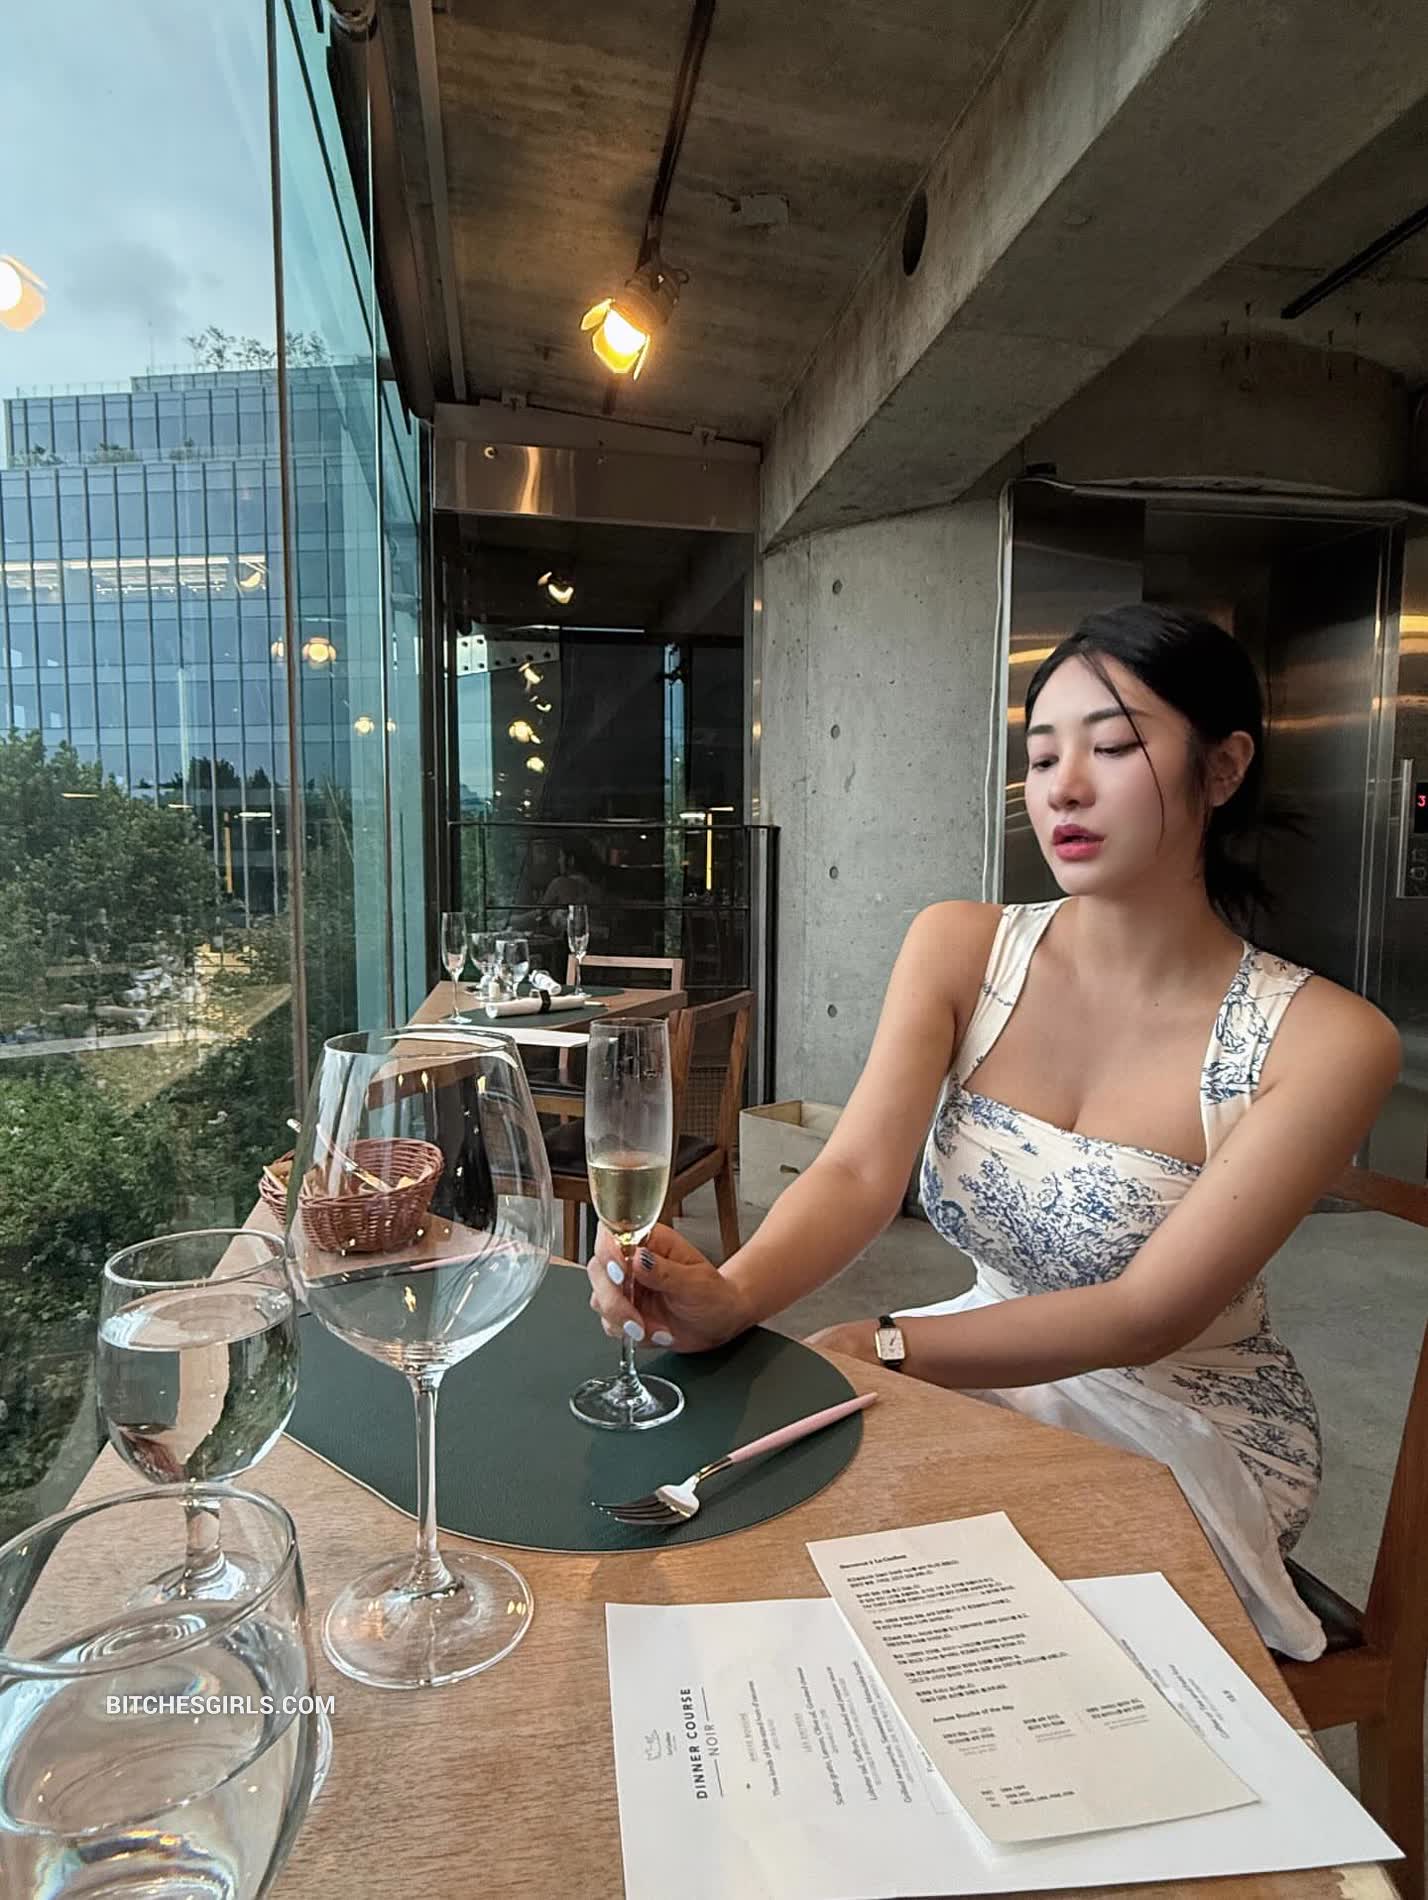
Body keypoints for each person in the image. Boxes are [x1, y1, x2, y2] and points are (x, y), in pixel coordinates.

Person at [584, 603, 1401, 1660]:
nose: (1064, 787)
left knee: (908, 1609)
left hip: (1189, 1425)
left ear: (1223, 767)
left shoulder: (1326, 1038)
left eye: (1113, 747)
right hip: (979, 1362)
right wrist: (735, 1296)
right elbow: (859, 1171)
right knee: (774, 1541)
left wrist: (887, 1343)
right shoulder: (962, 946)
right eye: (1042, 755)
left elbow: (1147, 1315)